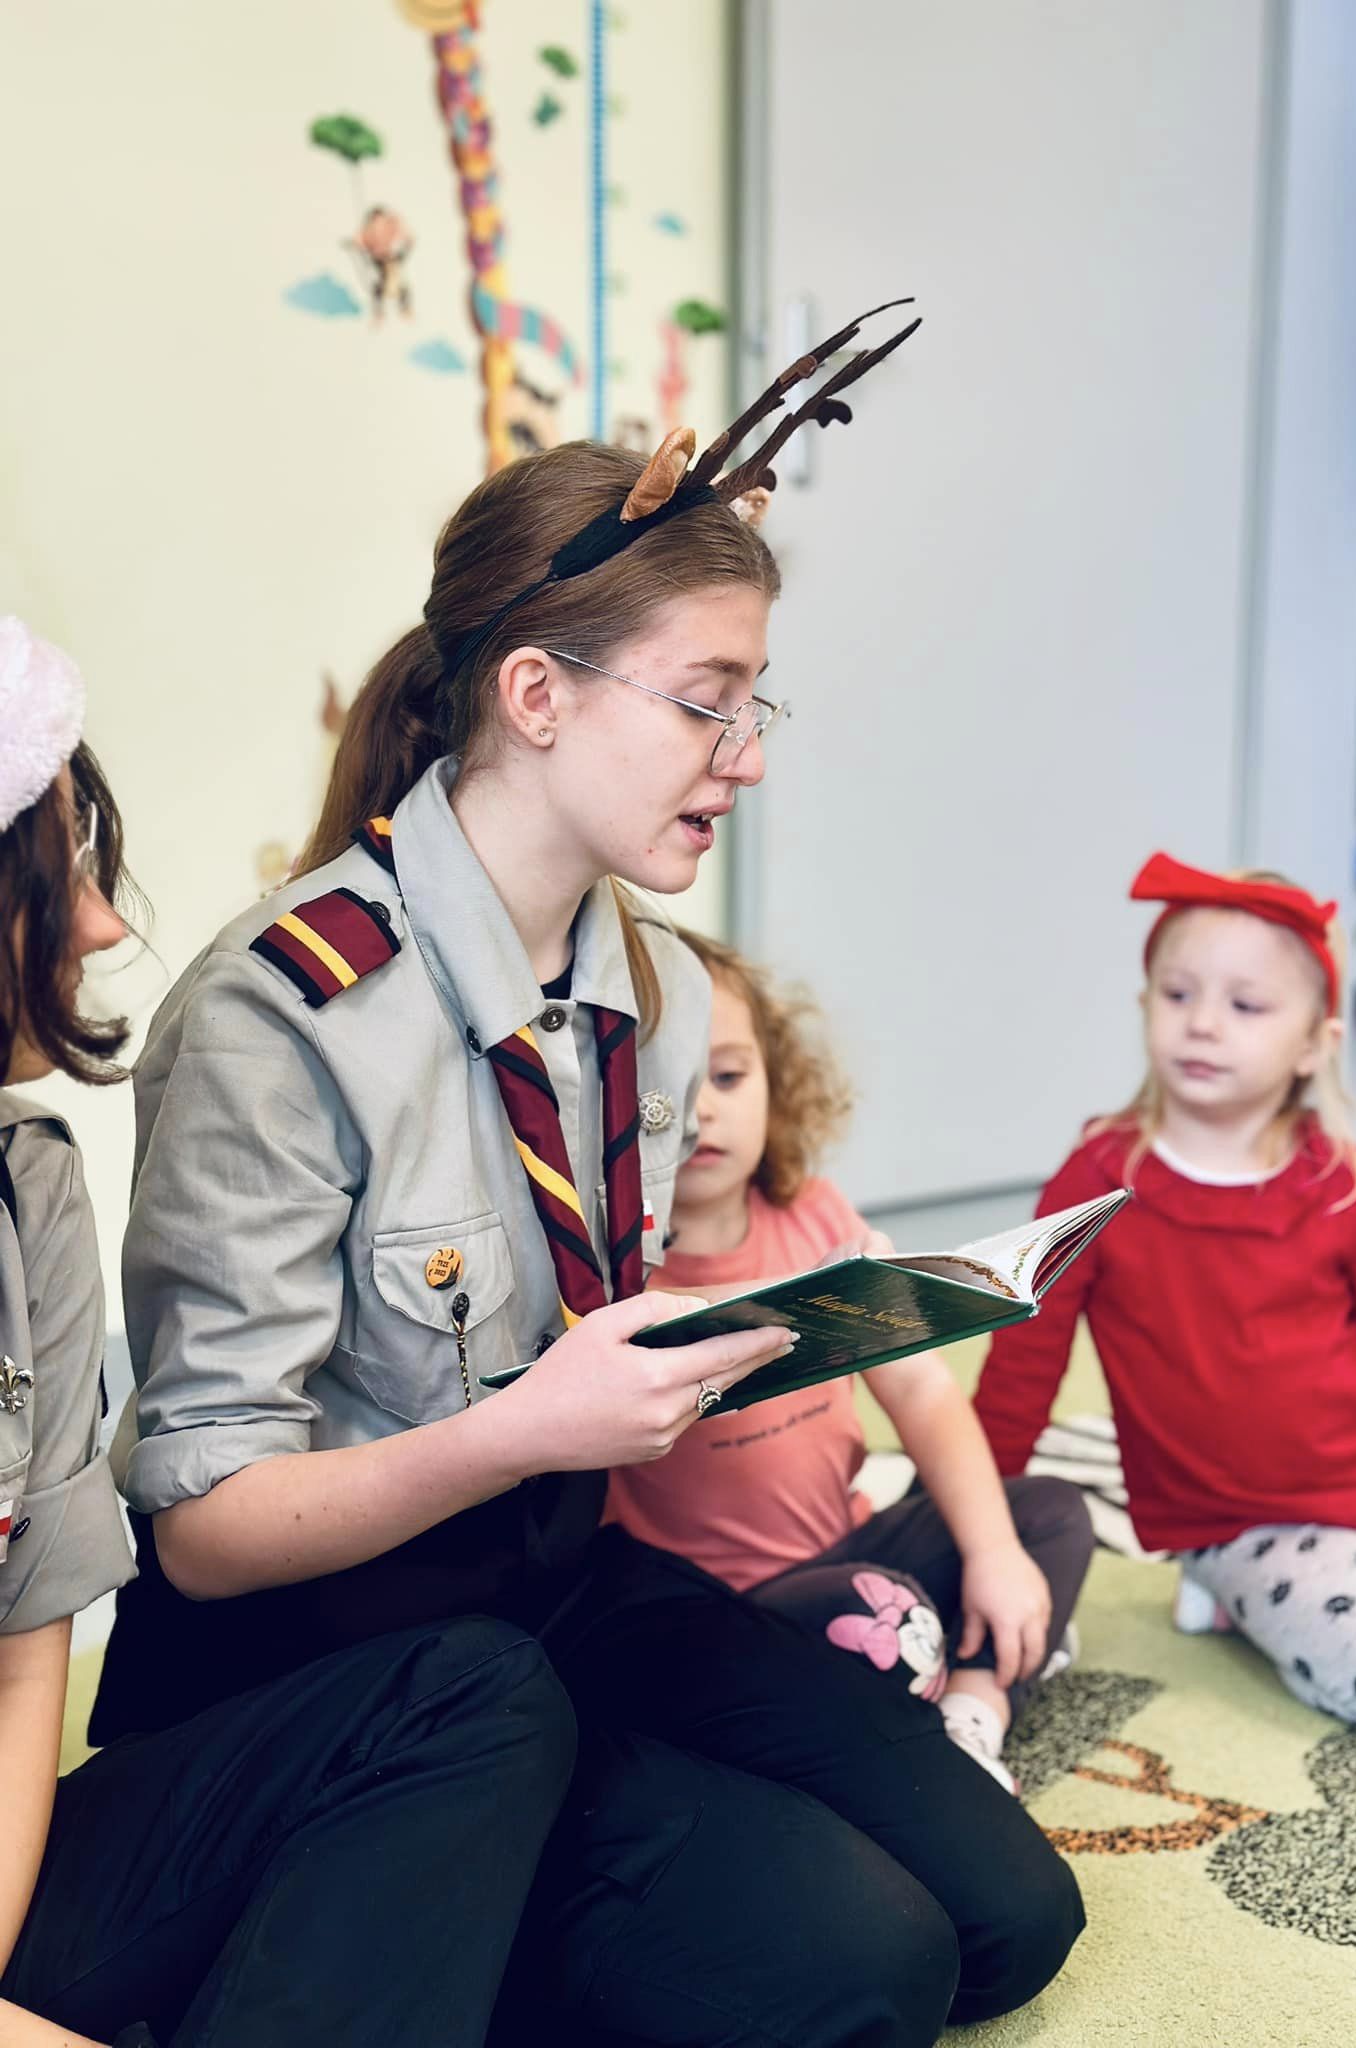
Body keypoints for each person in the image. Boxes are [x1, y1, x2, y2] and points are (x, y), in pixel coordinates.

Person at [95, 306, 1086, 2046]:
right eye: (706, 703)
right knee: (858, 1968)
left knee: (1012, 1914)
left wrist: (780, 1335)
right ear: (536, 695)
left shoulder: (662, 990)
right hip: (340, 1668)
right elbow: (206, 1532)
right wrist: (522, 1429)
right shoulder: (283, 1013)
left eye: (754, 703)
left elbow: (591, 1331)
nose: (747, 756)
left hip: (556, 1583)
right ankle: (363, 1899)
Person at [0, 617, 576, 2048]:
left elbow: (23, 1662)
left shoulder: (30, 1183)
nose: (104, 927)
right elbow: (211, 1500)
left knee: (476, 1696)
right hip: (257, 1629)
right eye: (59, 878)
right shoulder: (282, 1005)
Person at [975, 851, 1356, 1728]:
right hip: (1235, 1521)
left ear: (1313, 1045)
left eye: (1245, 1006)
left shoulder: (1344, 1182)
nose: (1202, 1024)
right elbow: (1023, 1365)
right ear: (1145, 1006)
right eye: (1178, 994)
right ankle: (1235, 1589)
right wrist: (970, 1526)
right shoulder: (1096, 1183)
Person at [606, 930, 1093, 1792]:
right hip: (727, 1612)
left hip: (851, 1544)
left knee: (1050, 1516)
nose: (702, 1109)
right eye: (663, 1087)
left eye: (728, 1076)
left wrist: (991, 1552)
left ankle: (973, 1707)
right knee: (874, 1609)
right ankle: (962, 1648)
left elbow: (924, 1393)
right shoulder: (614, 1271)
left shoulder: (819, 1217)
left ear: (776, 1080)